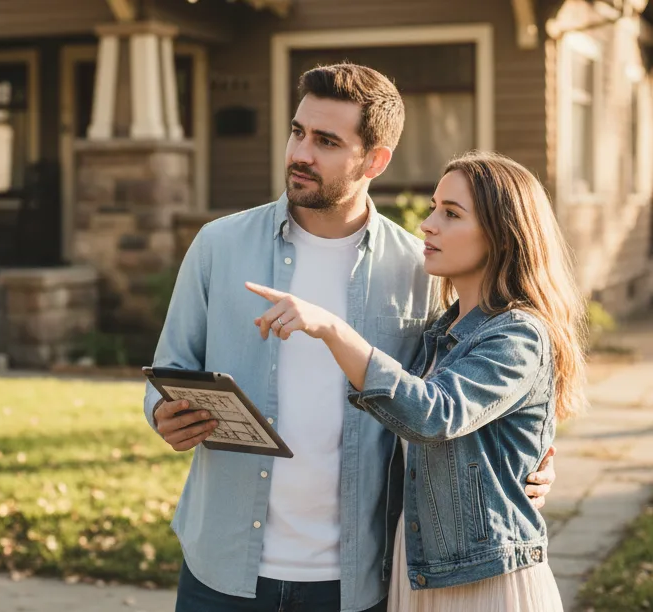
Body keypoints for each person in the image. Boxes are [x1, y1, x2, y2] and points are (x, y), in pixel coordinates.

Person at [143, 63, 557, 612]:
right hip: (221, 566)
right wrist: (162, 413)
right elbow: (169, 370)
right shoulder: (218, 245)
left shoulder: (422, 269)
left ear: (375, 159)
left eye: (326, 141)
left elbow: (478, 376)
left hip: (357, 579)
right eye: (297, 132)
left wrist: (532, 458)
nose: (300, 154)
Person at [245, 150, 583, 611]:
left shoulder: (518, 333)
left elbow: (434, 413)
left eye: (451, 214)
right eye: (433, 208)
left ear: (503, 235)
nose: (427, 224)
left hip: (485, 581)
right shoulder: (438, 333)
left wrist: (331, 328)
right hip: (418, 571)